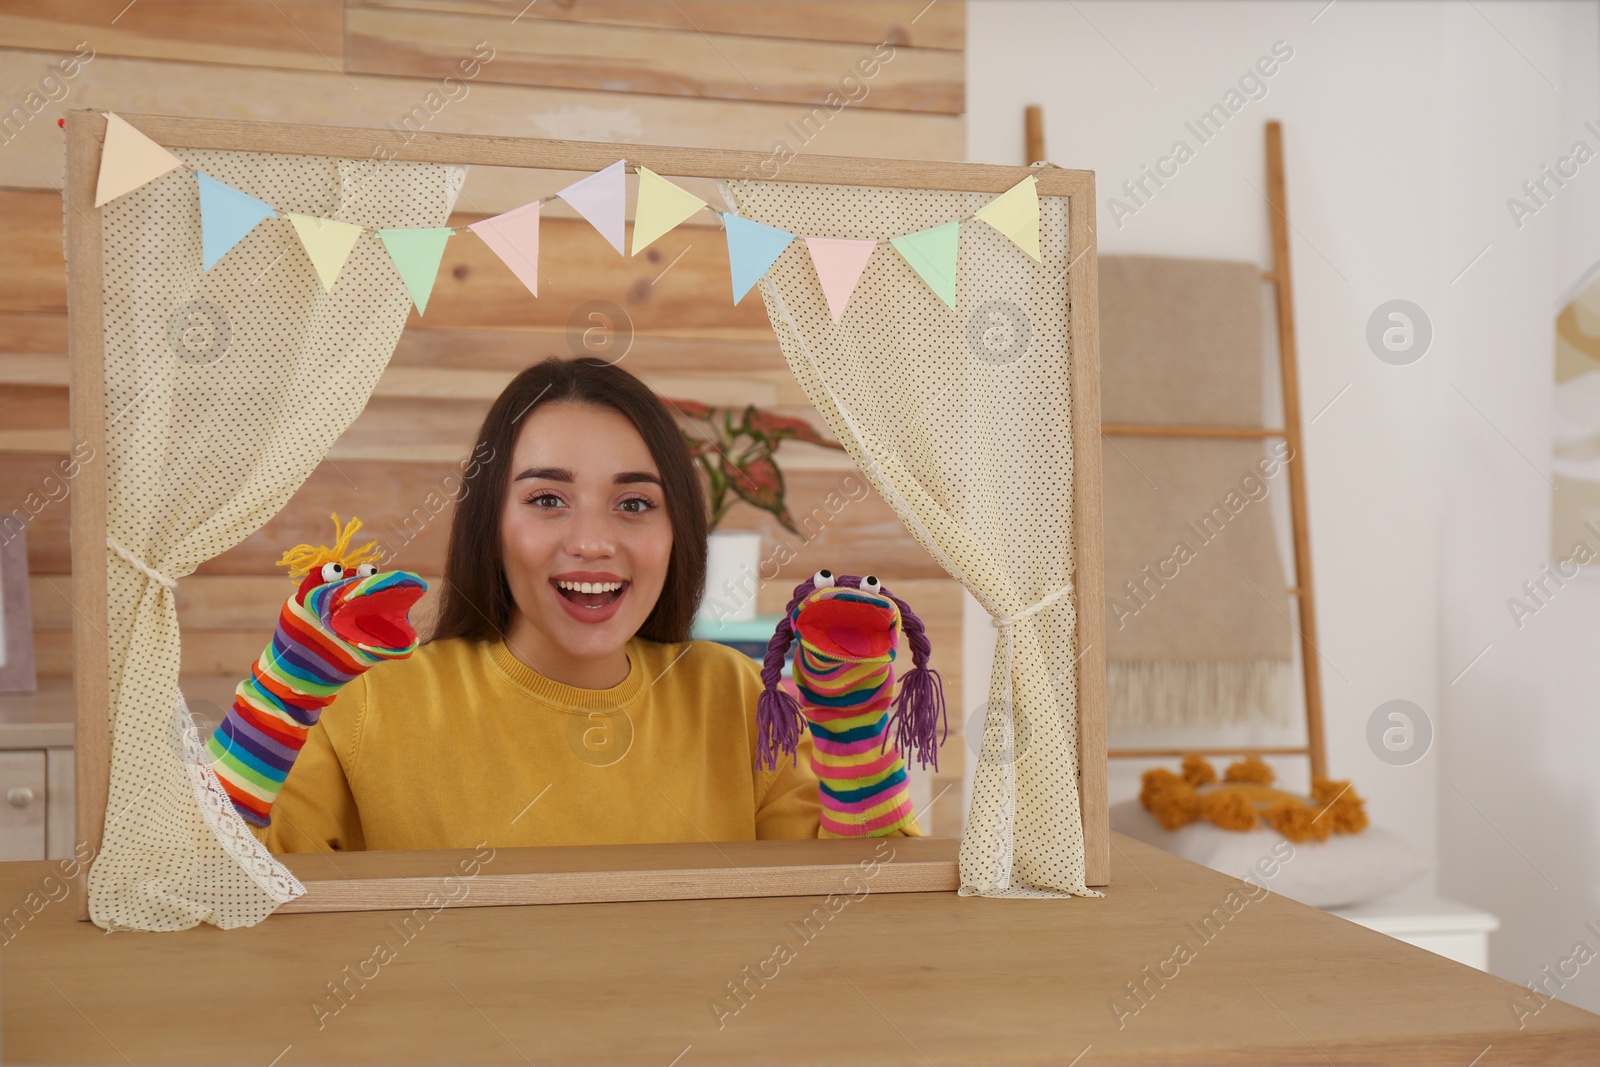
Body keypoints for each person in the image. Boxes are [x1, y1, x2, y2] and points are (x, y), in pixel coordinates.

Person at [249, 356, 920, 852]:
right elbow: (220, 889)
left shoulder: (738, 699)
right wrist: (276, 699)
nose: (593, 542)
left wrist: (856, 733)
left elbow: (859, 915)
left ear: (675, 530)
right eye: (547, 499)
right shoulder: (366, 707)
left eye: (634, 504)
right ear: (492, 524)